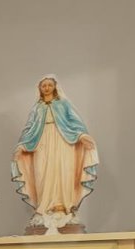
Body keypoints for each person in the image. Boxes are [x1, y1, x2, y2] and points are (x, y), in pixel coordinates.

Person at [11, 75, 99, 233]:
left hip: (63, 142)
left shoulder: (63, 104)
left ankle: (64, 207)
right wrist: (22, 145)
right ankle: (43, 208)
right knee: (41, 173)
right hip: (41, 143)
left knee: (63, 172)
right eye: (43, 85)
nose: (46, 88)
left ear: (55, 87)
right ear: (39, 88)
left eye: (49, 85)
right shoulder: (37, 108)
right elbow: (29, 128)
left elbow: (75, 122)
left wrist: (81, 135)